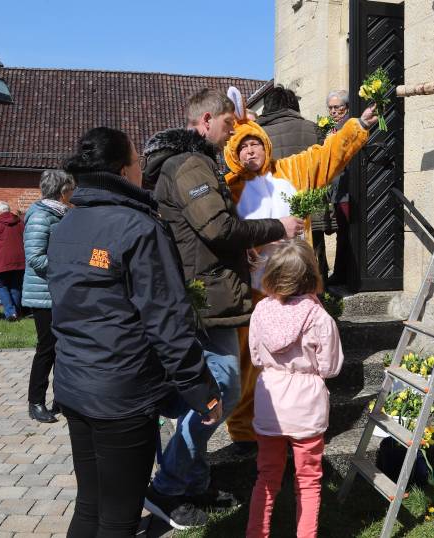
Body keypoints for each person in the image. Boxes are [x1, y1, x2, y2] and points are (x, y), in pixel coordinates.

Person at [47, 127, 222, 538]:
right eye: (137, 160)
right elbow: (167, 320)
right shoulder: (138, 227)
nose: (142, 167)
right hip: (121, 397)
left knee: (90, 505)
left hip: (74, 385)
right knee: (118, 518)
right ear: (124, 169)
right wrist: (202, 390)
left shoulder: (67, 223)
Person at [142, 88, 304, 530]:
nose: (236, 132)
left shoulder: (190, 163)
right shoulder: (190, 164)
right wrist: (279, 227)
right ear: (207, 119)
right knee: (221, 393)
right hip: (206, 300)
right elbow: (216, 227)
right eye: (231, 124)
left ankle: (191, 480)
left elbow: (207, 233)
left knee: (213, 393)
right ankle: (168, 486)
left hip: (211, 293)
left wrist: (241, 253)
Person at [223, 97, 376, 456]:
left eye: (254, 144)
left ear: (265, 144)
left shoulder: (292, 171)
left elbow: (327, 155)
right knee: (251, 359)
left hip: (297, 285)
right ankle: (246, 429)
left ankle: (303, 422)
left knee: (303, 357)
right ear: (232, 153)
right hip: (254, 289)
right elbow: (219, 230)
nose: (249, 152)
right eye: (241, 147)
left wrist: (358, 127)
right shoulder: (228, 188)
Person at [246, 239, 344, 538]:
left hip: (270, 405)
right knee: (309, 481)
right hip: (306, 409)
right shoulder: (320, 317)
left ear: (272, 274)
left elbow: (255, 356)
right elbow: (330, 367)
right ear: (310, 275)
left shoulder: (261, 310)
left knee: (266, 477)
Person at [256, 85, 329, 281]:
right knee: (314, 258)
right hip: (310, 206)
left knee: (277, 261)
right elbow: (325, 167)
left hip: (274, 210)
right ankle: (321, 302)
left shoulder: (258, 134)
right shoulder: (313, 129)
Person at [22, 169, 75, 424]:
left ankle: (61, 398)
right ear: (62, 191)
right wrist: (67, 264)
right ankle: (36, 401)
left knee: (63, 347)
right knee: (47, 348)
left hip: (60, 291)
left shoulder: (62, 214)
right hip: (43, 294)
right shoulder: (41, 216)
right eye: (71, 189)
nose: (73, 193)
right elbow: (35, 258)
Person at [325, 90, 352, 286]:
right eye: (331, 108)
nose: (333, 112)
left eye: (337, 108)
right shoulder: (333, 128)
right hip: (337, 189)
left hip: (347, 189)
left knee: (345, 233)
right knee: (340, 231)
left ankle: (343, 274)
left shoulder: (347, 127)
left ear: (346, 108)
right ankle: (340, 272)